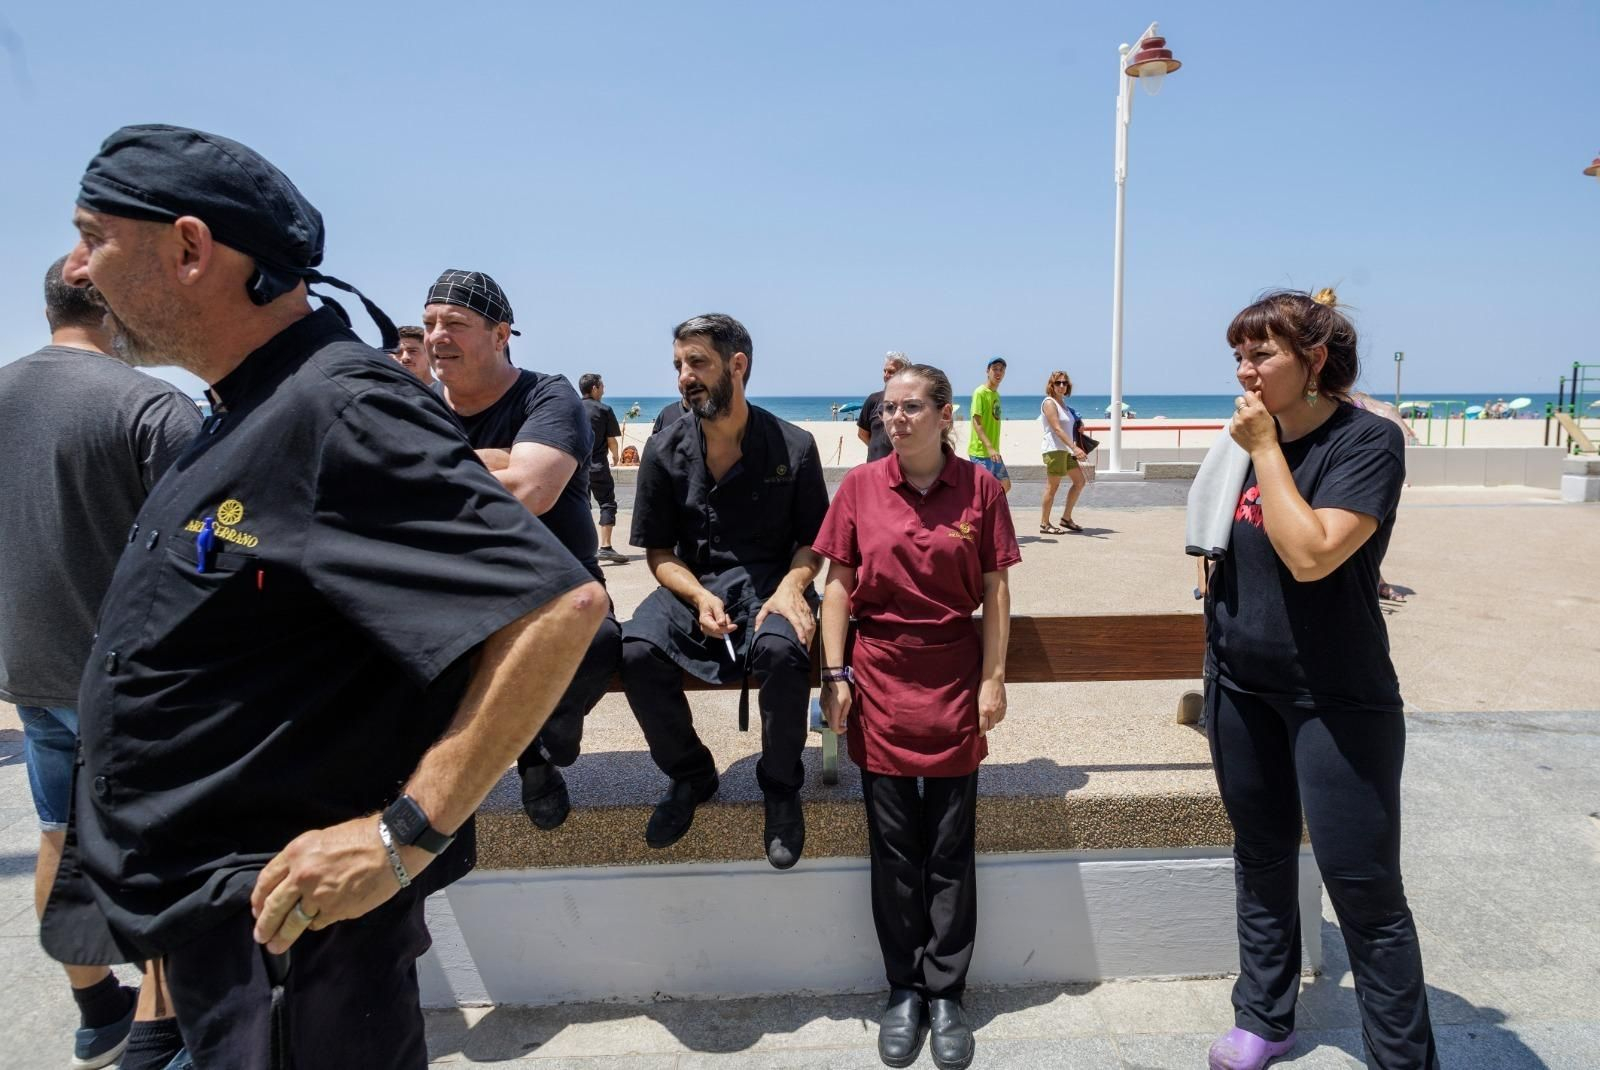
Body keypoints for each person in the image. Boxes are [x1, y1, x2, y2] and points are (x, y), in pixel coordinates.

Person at [45, 124, 607, 1070]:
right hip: (213, 942)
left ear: (189, 248)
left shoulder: (335, 406)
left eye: (93, 235)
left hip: (294, 955)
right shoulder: (244, 403)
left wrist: (404, 835)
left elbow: (557, 608)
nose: (77, 268)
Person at [1205, 288, 1436, 1069]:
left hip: (1337, 696)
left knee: (1364, 891)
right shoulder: (1240, 443)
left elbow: (1311, 555)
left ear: (1315, 361)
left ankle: (1403, 1057)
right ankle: (1264, 1017)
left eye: (1261, 353)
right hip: (1242, 685)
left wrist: (1266, 450)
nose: (1245, 369)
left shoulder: (1365, 443)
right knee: (1261, 857)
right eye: (1239, 353)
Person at [0, 258, 198, 1070]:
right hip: (129, 677)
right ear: (118, 305)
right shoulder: (151, 405)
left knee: (59, 832)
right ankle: (162, 1035)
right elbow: (207, 550)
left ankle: (96, 1012)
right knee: (165, 849)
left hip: (30, 664)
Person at [814, 362, 1018, 1070]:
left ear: (943, 414)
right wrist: (835, 675)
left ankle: (947, 994)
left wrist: (994, 679)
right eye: (887, 410)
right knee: (895, 848)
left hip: (955, 678)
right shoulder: (862, 487)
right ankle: (903, 989)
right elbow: (836, 589)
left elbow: (995, 592)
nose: (895, 419)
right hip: (877, 676)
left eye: (909, 408)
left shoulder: (981, 488)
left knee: (951, 847)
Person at [622, 314, 828, 869]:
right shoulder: (663, 451)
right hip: (693, 582)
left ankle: (781, 786)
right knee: (635, 650)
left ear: (737, 366)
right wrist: (695, 597)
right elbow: (660, 555)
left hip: (772, 582)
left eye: (697, 363)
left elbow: (814, 543)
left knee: (783, 652)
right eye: (678, 366)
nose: (684, 377)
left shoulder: (795, 445)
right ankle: (691, 774)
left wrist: (793, 587)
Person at [425, 268, 623, 831]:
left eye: (456, 324)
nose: (439, 336)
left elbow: (531, 491)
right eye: (431, 322)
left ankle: (538, 748)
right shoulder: (416, 403)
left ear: (500, 334)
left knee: (602, 643)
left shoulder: (548, 394)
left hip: (560, 580)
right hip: (457, 585)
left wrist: (437, 472)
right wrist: (497, 460)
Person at [579, 372, 628, 564]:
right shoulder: (604, 410)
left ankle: (579, 547)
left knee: (580, 504)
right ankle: (606, 547)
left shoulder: (571, 408)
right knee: (607, 503)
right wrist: (616, 457)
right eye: (602, 386)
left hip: (576, 467)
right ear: (594, 388)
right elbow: (611, 441)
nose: (604, 389)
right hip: (598, 466)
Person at [1038, 370, 1089, 534]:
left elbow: (1068, 426)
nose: (1061, 386)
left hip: (1066, 450)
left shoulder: (1065, 406)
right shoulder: (1049, 403)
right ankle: (1044, 524)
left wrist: (1078, 427)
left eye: (1064, 383)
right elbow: (1057, 429)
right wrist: (1075, 448)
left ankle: (1066, 518)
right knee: (1052, 487)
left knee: (1080, 481)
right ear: (1051, 385)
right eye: (1057, 383)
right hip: (1055, 449)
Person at [856, 351, 910, 463]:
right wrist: (878, 451)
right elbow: (862, 433)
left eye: (891, 372)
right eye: (884, 371)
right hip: (875, 470)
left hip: (905, 470)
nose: (886, 375)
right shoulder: (873, 400)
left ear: (904, 373)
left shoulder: (912, 402)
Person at [966, 357, 1010, 493]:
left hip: (993, 453)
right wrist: (990, 448)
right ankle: (982, 513)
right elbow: (977, 423)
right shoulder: (980, 393)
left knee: (1005, 484)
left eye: (1001, 370)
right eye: (995, 369)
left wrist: (993, 449)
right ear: (987, 371)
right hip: (981, 453)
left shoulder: (996, 395)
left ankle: (991, 511)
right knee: (983, 490)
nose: (998, 373)